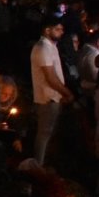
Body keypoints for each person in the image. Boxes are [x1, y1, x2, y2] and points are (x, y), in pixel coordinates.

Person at [31, 18, 72, 165]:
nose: (61, 32)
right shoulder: (42, 48)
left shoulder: (51, 47)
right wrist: (66, 92)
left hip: (55, 96)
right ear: (47, 30)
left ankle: (44, 164)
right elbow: (50, 76)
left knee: (49, 133)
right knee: (44, 133)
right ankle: (38, 165)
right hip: (47, 97)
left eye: (61, 29)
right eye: (57, 29)